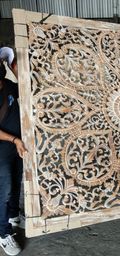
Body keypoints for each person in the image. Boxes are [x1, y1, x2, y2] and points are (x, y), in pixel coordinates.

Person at [0, 55, 26, 255]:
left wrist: (15, 68)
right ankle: (3, 233)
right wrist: (14, 140)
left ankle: (13, 216)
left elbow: (27, 91)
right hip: (3, 146)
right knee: (4, 190)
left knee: (17, 181)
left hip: (17, 143)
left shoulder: (8, 84)